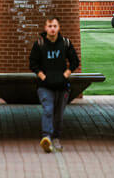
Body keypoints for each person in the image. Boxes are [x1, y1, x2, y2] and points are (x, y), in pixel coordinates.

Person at [28, 16, 80, 153]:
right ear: (45, 28)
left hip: (62, 86)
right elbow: (33, 63)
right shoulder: (39, 44)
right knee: (48, 109)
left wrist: (66, 74)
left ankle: (56, 138)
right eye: (50, 26)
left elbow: (75, 61)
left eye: (55, 26)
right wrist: (43, 77)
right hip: (45, 86)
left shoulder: (65, 43)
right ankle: (46, 138)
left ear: (59, 28)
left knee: (59, 115)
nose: (52, 29)